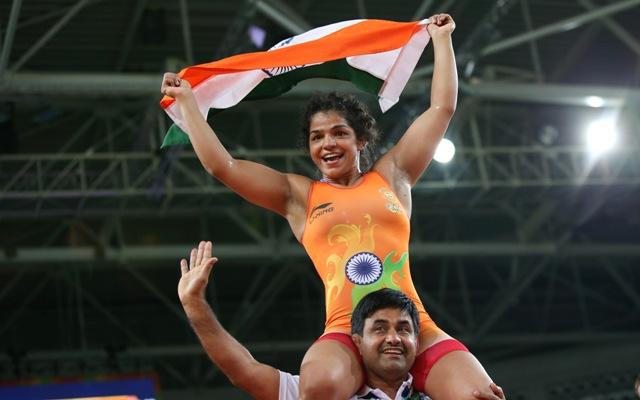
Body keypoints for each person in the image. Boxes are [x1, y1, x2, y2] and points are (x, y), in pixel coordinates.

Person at [162, 13, 493, 400]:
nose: (328, 144)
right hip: (345, 331)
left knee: (480, 395)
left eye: (340, 133)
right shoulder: (298, 196)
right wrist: (188, 104)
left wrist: (441, 39)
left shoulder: (394, 175)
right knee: (317, 390)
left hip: (412, 326)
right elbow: (224, 166)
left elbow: (441, 110)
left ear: (361, 141)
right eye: (317, 137)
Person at [178, 241, 507, 400]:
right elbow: (244, 372)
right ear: (357, 342)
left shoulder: (443, 396)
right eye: (380, 328)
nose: (393, 337)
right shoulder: (320, 394)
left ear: (417, 342)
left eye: (404, 329)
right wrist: (195, 305)